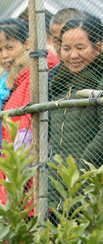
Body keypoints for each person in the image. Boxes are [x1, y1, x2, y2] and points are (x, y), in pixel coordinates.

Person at [0, 18, 58, 206]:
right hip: (9, 167)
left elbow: (27, 131)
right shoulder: (8, 83)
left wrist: (14, 181)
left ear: (27, 44)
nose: (4, 55)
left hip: (24, 174)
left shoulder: (35, 74)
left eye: (10, 47)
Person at [49, 16, 103, 190]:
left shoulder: (99, 79)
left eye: (81, 48)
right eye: (66, 48)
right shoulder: (57, 83)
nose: (73, 55)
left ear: (98, 47)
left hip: (89, 182)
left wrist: (82, 168)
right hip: (60, 182)